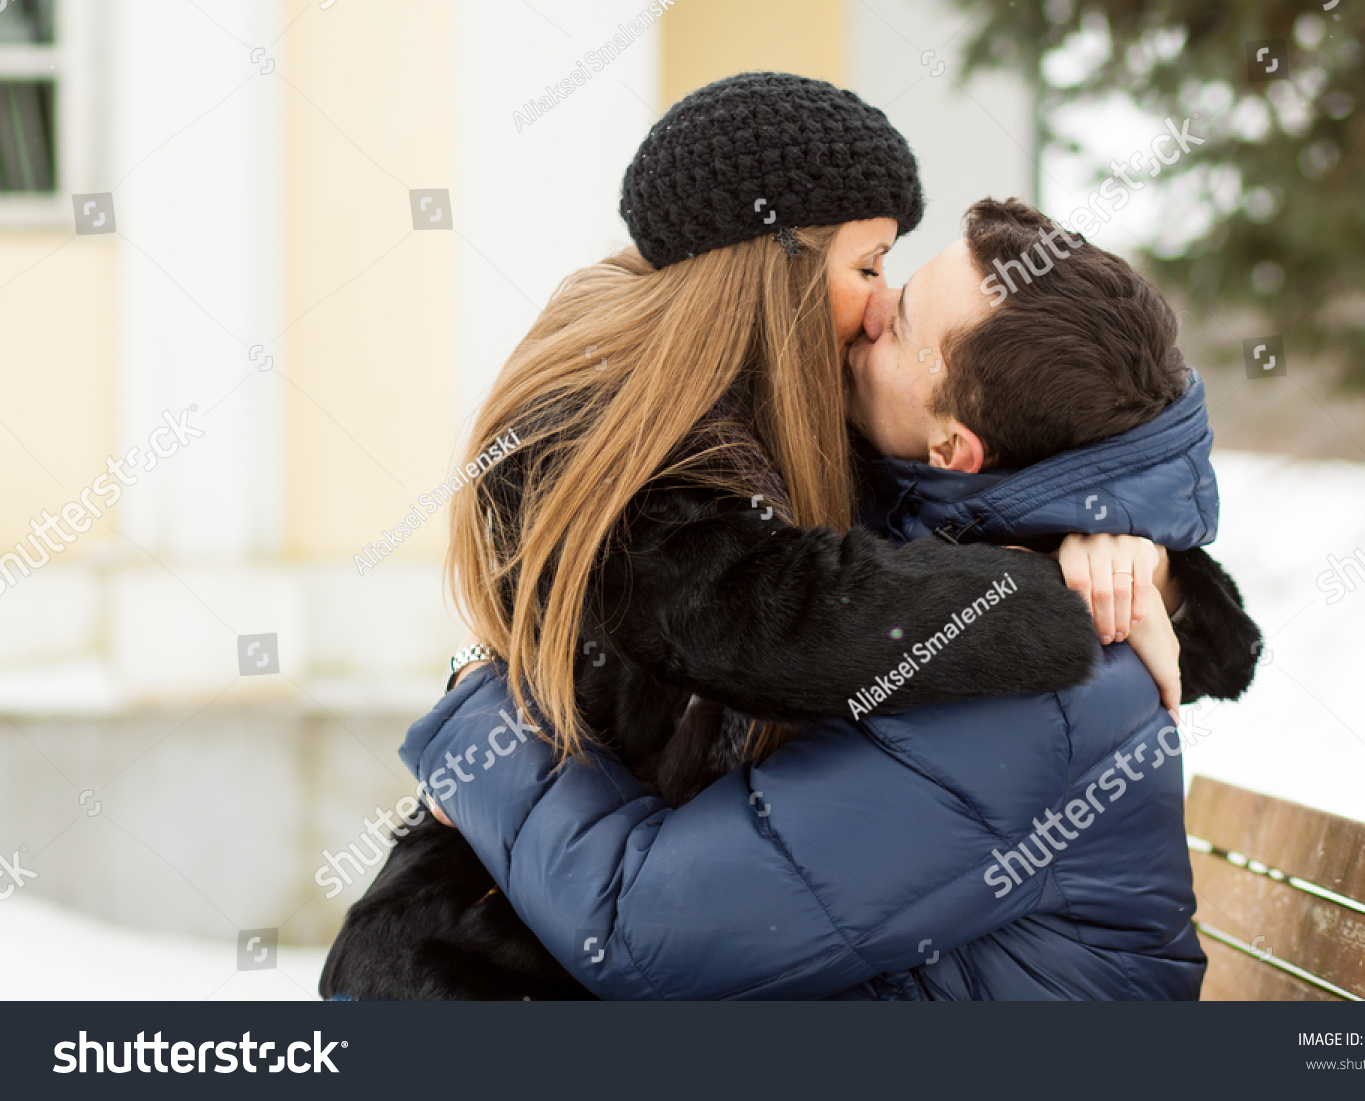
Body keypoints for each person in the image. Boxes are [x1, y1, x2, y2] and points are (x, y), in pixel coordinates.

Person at [320, 74, 1196, 1001]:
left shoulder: (1030, 659)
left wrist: (1146, 570)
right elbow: (785, 609)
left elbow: (647, 927)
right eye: (873, 270)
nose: (873, 309)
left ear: (956, 443)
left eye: (895, 305)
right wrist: (1096, 579)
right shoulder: (692, 460)